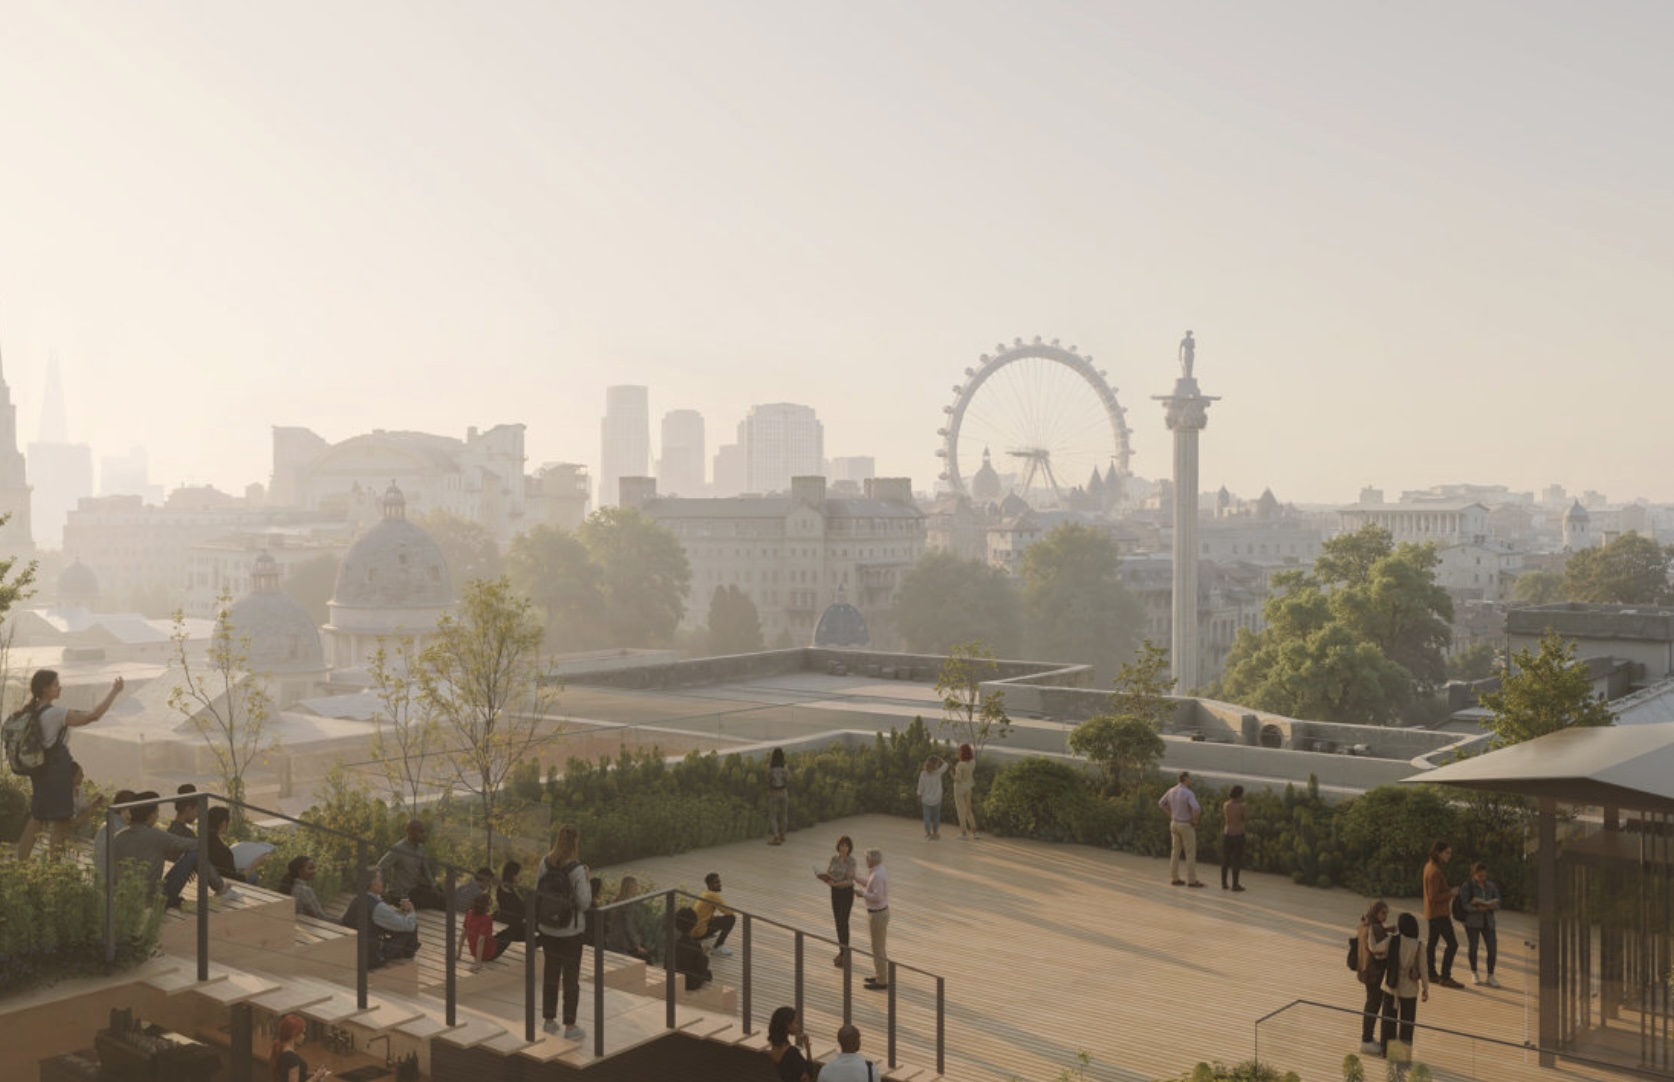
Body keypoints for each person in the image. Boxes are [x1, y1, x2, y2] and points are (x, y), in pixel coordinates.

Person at [15, 669, 124, 859]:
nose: (60, 687)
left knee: (38, 817)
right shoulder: (56, 713)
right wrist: (114, 691)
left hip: (40, 770)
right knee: (61, 820)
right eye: (56, 684)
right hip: (55, 770)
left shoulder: (31, 710)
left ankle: (21, 862)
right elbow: (93, 716)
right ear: (45, 688)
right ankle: (55, 869)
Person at [112, 791, 233, 908]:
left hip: (123, 899)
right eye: (156, 812)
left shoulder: (118, 836)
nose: (157, 816)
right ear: (150, 815)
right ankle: (220, 887)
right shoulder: (155, 835)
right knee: (194, 855)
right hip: (153, 901)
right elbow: (197, 845)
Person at [536, 824, 589, 1041]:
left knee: (550, 973)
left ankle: (549, 1021)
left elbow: (537, 891)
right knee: (570, 978)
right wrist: (587, 878)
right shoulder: (576, 869)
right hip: (570, 932)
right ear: (575, 842)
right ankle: (570, 1026)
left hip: (547, 928)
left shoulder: (545, 862)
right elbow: (584, 903)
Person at [341, 868, 419, 967]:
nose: (382, 883)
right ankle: (408, 952)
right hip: (371, 958)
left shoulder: (356, 899)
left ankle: (407, 951)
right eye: (380, 880)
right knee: (411, 928)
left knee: (397, 925)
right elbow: (409, 926)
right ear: (373, 885)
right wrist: (411, 911)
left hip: (353, 951)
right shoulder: (378, 907)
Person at [1381, 912, 1430, 1056]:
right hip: (1409, 989)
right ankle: (1401, 1056)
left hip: (1391, 985)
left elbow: (1376, 948)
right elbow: (1424, 969)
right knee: (1406, 1024)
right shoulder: (1419, 946)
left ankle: (1385, 1051)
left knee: (1388, 1021)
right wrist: (1425, 989)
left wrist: (1376, 929)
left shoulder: (1393, 940)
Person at [1423, 840, 1464, 988]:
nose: (1449, 856)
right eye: (1447, 853)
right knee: (1452, 945)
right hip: (1438, 913)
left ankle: (1431, 973)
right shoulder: (1434, 871)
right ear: (1438, 853)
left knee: (1432, 943)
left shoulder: (1430, 866)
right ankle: (1445, 977)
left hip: (1432, 912)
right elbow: (1433, 897)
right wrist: (1451, 893)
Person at [378, 819, 445, 909]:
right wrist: (383, 890)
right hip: (401, 895)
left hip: (414, 889)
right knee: (436, 900)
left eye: (424, 831)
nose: (424, 835)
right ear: (411, 833)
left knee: (441, 894)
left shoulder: (421, 849)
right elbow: (381, 867)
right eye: (420, 832)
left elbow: (425, 870)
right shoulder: (398, 849)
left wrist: (433, 886)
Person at [1356, 900, 1394, 1057]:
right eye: (1383, 913)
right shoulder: (1374, 927)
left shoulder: (1365, 924)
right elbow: (1375, 947)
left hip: (1366, 971)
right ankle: (1366, 1041)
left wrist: (1386, 929)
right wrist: (1391, 939)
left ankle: (1368, 1038)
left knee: (1372, 1003)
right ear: (1375, 912)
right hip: (1374, 973)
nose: (1385, 916)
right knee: (1373, 1005)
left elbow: (1372, 934)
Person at [816, 835, 857, 967]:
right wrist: (826, 880)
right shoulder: (834, 859)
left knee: (844, 921)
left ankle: (845, 953)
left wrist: (837, 884)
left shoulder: (851, 861)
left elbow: (850, 880)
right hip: (835, 893)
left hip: (846, 892)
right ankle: (841, 952)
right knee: (838, 922)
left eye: (846, 846)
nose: (843, 848)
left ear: (849, 848)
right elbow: (829, 873)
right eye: (841, 845)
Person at [1158, 771, 1204, 887]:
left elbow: (1161, 803)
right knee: (1190, 852)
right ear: (1185, 779)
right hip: (1185, 824)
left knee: (1175, 852)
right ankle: (1192, 880)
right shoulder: (1188, 793)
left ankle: (1175, 877)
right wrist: (1195, 820)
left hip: (1174, 823)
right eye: (1189, 778)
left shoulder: (1171, 790)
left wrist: (1170, 814)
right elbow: (1196, 808)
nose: (1191, 780)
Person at [1461, 861, 1502, 987]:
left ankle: (1490, 975)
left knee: (1492, 948)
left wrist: (1491, 906)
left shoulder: (1491, 886)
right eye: (1479, 876)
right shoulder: (1467, 886)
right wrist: (1477, 908)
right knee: (1473, 947)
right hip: (1472, 921)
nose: (1482, 879)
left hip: (1488, 921)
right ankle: (1474, 972)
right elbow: (1465, 904)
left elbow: (1498, 903)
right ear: (1474, 874)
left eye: (1484, 876)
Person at [206, 806, 269, 884]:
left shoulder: (201, 841)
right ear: (224, 823)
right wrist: (255, 864)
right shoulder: (223, 851)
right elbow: (236, 880)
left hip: (207, 880)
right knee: (253, 876)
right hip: (222, 884)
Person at [858, 848, 889, 991]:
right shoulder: (877, 870)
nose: (865, 861)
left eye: (867, 859)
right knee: (877, 946)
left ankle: (882, 980)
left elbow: (877, 896)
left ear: (872, 860)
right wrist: (855, 878)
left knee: (878, 947)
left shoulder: (877, 874)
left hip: (877, 914)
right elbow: (870, 886)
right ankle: (879, 974)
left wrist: (862, 894)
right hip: (880, 913)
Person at [269, 1013, 330, 1082]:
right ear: (294, 1033)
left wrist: (311, 1075)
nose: (304, 1036)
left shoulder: (281, 1051)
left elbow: (289, 1075)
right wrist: (316, 1077)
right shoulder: (292, 1058)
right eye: (302, 1033)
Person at [92, 788, 139, 880]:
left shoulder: (106, 825)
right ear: (125, 809)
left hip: (100, 880)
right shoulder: (123, 830)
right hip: (112, 886)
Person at [606, 875, 653, 962]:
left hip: (613, 942)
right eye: (636, 885)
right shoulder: (628, 904)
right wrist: (637, 946)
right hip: (624, 944)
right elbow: (629, 927)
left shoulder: (615, 902)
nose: (637, 887)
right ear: (631, 887)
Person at [691, 872, 736, 956]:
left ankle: (709, 938)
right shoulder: (713, 896)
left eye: (719, 882)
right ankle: (718, 946)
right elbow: (728, 912)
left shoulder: (705, 893)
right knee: (731, 919)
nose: (719, 884)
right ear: (710, 885)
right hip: (699, 931)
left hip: (694, 929)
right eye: (716, 882)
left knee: (717, 918)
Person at [767, 1005, 813, 1082]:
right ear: (788, 1025)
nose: (797, 1026)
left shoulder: (773, 1050)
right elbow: (808, 1075)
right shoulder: (792, 1052)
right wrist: (808, 1047)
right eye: (795, 1023)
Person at [457, 890, 500, 970]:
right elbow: (481, 940)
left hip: (473, 951)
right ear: (486, 906)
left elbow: (463, 934)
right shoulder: (487, 919)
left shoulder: (469, 913)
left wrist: (458, 954)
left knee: (499, 935)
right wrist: (478, 963)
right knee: (508, 935)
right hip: (488, 954)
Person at [672, 906, 713, 990]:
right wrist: (705, 955)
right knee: (707, 973)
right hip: (688, 982)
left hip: (670, 976)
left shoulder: (671, 940)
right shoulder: (694, 944)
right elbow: (701, 966)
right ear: (694, 924)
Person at [279, 856, 329, 920]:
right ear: (300, 871)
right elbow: (320, 916)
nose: (314, 871)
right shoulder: (304, 891)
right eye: (311, 868)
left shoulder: (287, 885)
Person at [493, 860, 526, 951]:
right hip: (513, 925)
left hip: (506, 921)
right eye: (520, 873)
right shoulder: (510, 892)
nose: (521, 876)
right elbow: (519, 910)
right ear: (513, 875)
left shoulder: (502, 888)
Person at [1220, 785, 1247, 892]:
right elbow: (1244, 818)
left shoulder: (1226, 805)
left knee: (1226, 858)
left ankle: (1224, 883)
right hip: (1238, 833)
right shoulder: (1242, 806)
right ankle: (1235, 884)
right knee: (1236, 859)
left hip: (1227, 832)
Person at [951, 744, 980, 840]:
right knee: (968, 810)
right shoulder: (973, 762)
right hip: (968, 787)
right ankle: (975, 832)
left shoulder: (960, 765)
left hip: (959, 789)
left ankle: (964, 833)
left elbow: (958, 779)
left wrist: (952, 774)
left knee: (961, 811)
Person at [916, 755, 948, 840]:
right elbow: (946, 765)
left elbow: (920, 786)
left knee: (927, 817)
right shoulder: (938, 772)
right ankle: (935, 833)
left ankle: (928, 833)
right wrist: (940, 758)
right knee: (936, 816)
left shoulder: (923, 774)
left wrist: (919, 796)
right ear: (935, 764)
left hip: (926, 799)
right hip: (937, 799)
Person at [766, 747, 790, 845]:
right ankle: (783, 834)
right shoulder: (785, 766)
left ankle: (776, 836)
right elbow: (788, 778)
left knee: (773, 815)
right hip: (784, 792)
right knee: (784, 814)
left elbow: (767, 779)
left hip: (774, 792)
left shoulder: (769, 766)